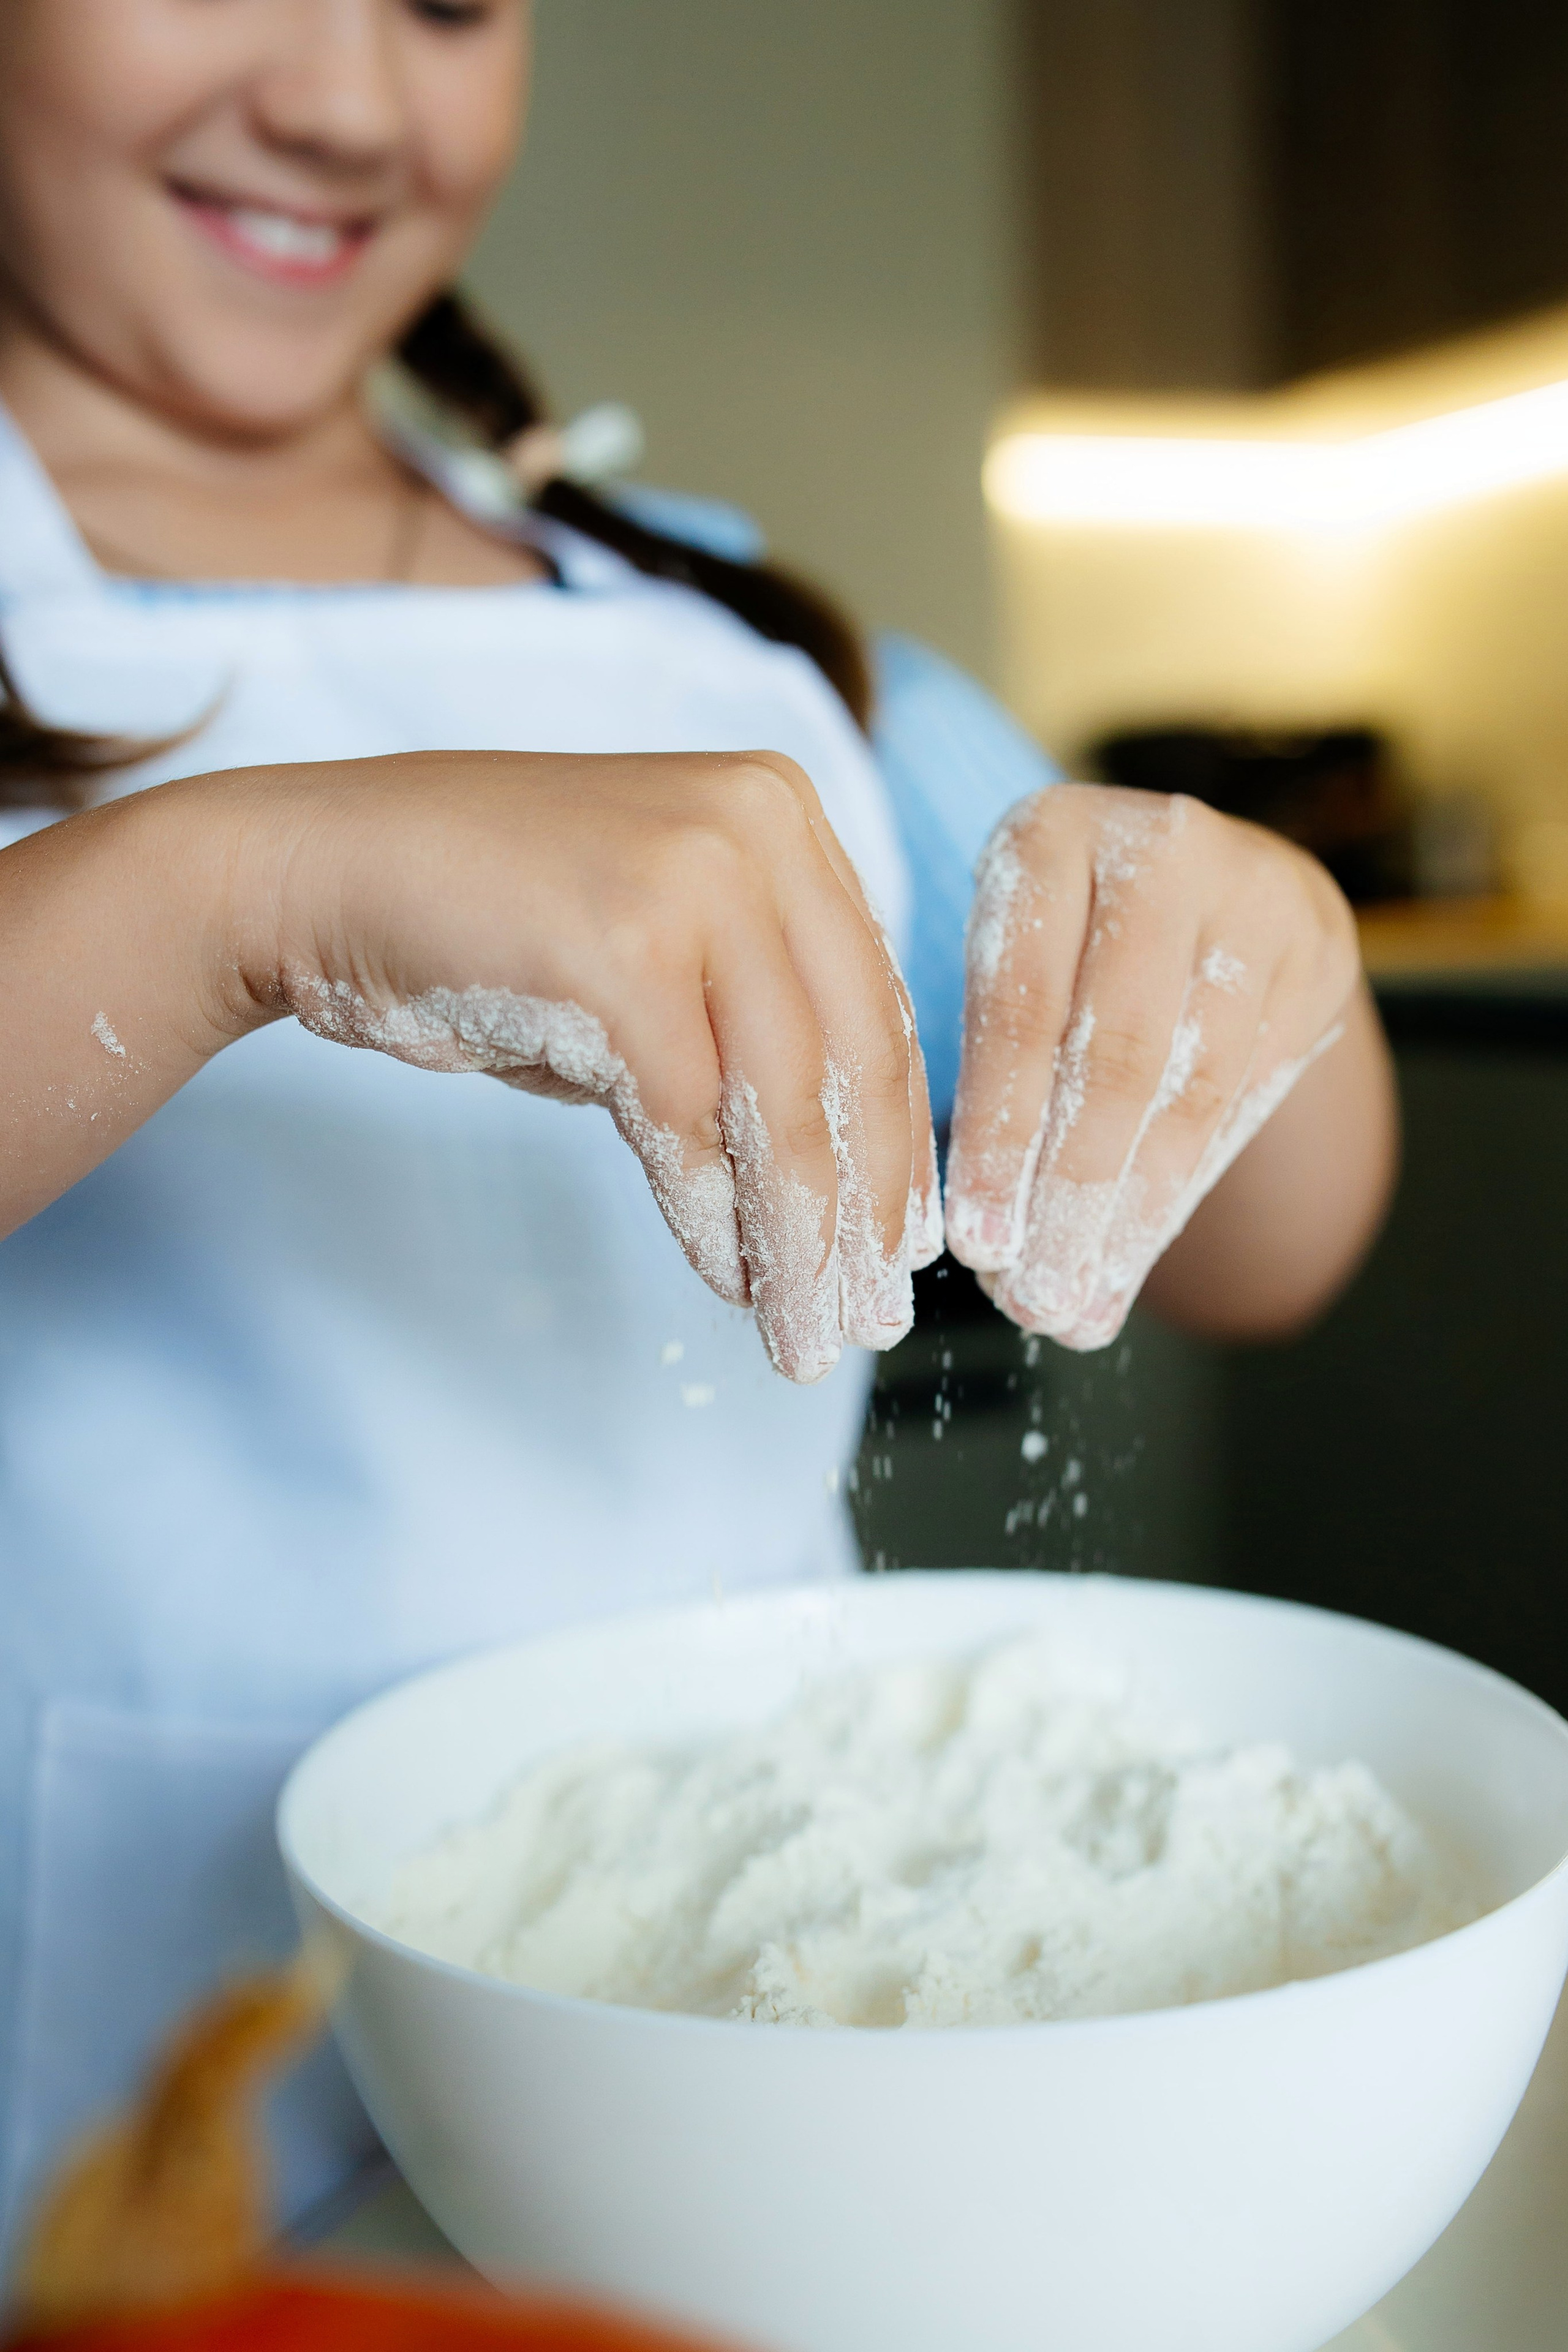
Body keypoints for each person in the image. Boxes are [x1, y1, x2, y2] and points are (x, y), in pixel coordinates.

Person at [0, 0, 1396, 2245]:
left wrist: (1284, 960)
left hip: (726, 2091)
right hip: (110, 2130)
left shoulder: (746, 655)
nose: (347, 100)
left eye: (449, 4)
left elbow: (1266, 1249)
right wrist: (227, 893)